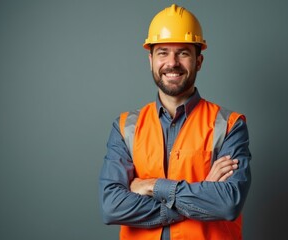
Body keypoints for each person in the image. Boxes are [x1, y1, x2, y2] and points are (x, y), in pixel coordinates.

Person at [99, 4, 251, 240]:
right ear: (151, 60)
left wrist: (152, 186)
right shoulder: (125, 126)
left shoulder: (229, 125)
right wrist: (203, 193)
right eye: (163, 52)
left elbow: (227, 204)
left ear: (198, 61)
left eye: (183, 52)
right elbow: (112, 206)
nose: (172, 62)